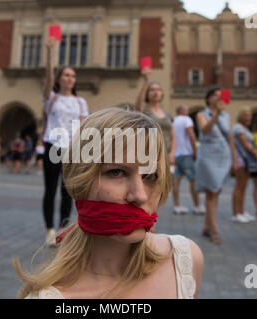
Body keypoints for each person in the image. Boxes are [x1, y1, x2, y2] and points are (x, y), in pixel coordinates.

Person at [13, 107, 203, 299]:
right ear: (79, 180)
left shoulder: (185, 260)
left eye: (150, 175)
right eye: (116, 172)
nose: (140, 195)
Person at [41, 36, 89, 246]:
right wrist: (51, 54)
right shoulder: (51, 97)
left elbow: (84, 127)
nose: (69, 78)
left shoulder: (80, 102)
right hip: (53, 145)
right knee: (50, 189)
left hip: (72, 148)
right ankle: (50, 229)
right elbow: (48, 81)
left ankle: (63, 228)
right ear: (59, 78)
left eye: (72, 76)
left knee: (67, 190)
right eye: (66, 75)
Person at [195, 88, 237, 244]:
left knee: (216, 192)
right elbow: (205, 130)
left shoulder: (227, 116)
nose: (219, 97)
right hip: (208, 153)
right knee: (211, 192)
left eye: (221, 95)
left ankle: (207, 226)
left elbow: (230, 138)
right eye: (215, 95)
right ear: (208, 98)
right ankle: (214, 230)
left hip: (223, 154)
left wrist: (234, 158)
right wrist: (217, 114)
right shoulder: (202, 114)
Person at [135, 67, 176, 168]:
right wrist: (145, 81)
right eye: (152, 90)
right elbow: (138, 105)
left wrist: (172, 153)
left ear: (162, 94)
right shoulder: (144, 111)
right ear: (147, 94)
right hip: (148, 155)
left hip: (165, 155)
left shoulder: (167, 114)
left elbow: (173, 136)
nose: (155, 92)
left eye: (158, 90)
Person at [172, 105, 205, 215]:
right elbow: (191, 135)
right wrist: (195, 151)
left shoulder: (174, 121)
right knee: (193, 180)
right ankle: (197, 206)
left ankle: (176, 206)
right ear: (183, 111)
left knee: (176, 181)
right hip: (187, 153)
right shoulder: (187, 119)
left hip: (177, 154)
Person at [231, 107, 257, 223]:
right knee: (239, 186)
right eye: (246, 115)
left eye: (250, 115)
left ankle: (241, 211)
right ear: (241, 115)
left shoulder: (245, 128)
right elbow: (245, 145)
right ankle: (236, 213)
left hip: (247, 160)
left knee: (243, 187)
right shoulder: (238, 127)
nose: (248, 117)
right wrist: (255, 153)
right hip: (241, 159)